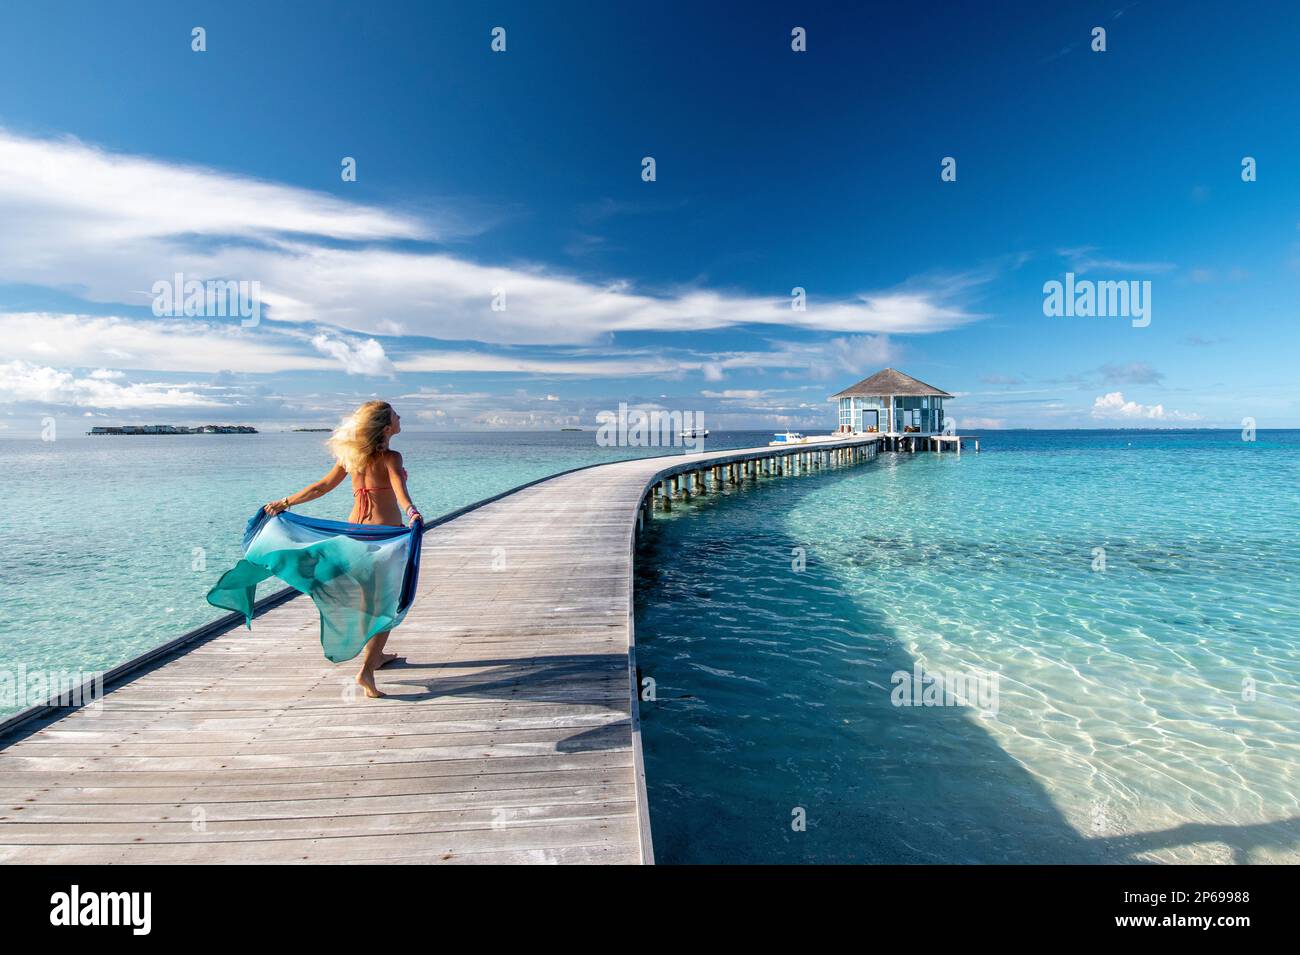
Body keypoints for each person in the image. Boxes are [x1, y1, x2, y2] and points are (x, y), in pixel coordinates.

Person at [263, 400, 422, 698]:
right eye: (395, 416)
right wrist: (412, 512)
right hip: (382, 541)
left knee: (367, 600)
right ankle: (366, 672)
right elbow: (401, 493)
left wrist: (284, 503)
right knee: (388, 604)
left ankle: (378, 655)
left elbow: (320, 487)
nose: (401, 418)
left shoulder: (352, 458)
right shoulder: (391, 457)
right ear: (387, 428)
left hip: (352, 537)